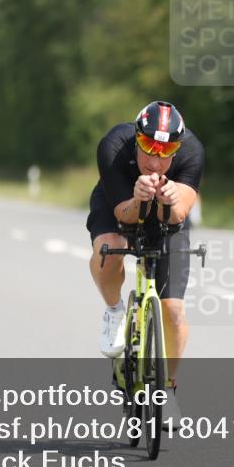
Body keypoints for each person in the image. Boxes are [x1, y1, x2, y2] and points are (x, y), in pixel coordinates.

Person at [87, 100, 204, 421]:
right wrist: (139, 197)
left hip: (168, 215)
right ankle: (114, 311)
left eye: (166, 151)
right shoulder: (113, 145)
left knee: (174, 312)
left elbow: (181, 214)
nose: (155, 159)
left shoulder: (193, 152)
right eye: (147, 146)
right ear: (136, 138)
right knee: (110, 248)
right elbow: (123, 215)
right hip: (121, 201)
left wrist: (170, 198)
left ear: (178, 148)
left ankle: (167, 388)